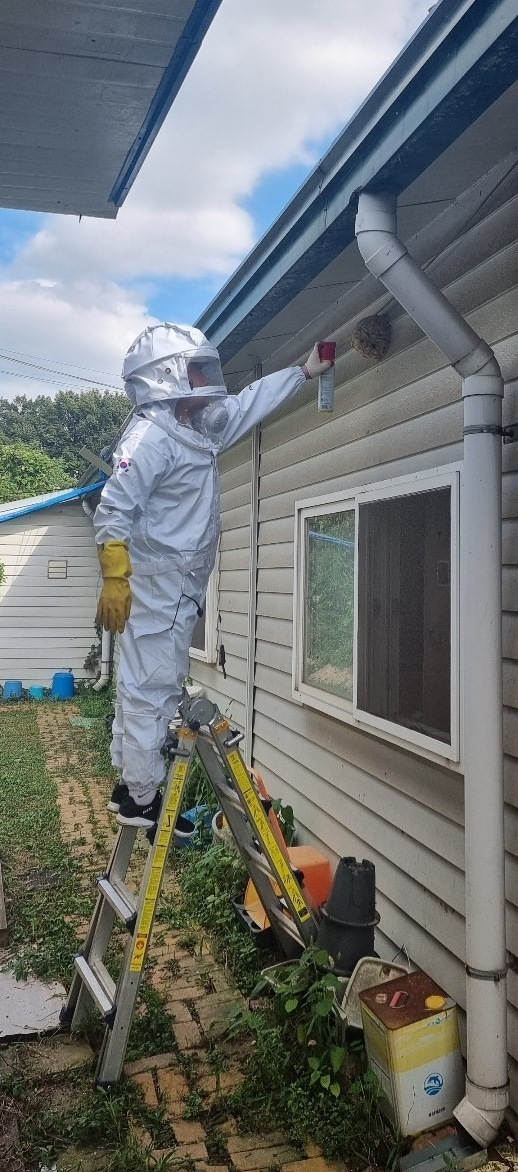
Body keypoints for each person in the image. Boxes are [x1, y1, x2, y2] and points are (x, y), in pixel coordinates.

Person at [93, 323, 331, 833]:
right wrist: (114, 575)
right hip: (158, 582)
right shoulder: (152, 436)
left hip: (176, 584)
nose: (208, 379)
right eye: (198, 369)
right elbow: (113, 509)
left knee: (146, 684)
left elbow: (245, 406)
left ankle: (129, 783)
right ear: (167, 375)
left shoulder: (195, 427)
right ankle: (140, 797)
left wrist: (303, 372)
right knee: (150, 687)